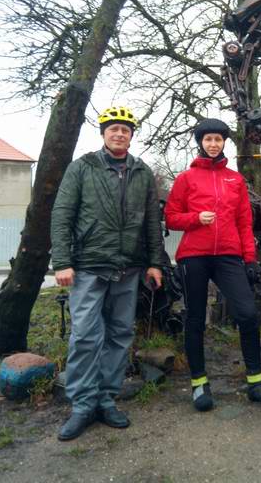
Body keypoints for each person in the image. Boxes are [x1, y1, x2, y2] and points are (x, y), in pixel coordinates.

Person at [51, 106, 166, 441]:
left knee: (119, 335)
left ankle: (106, 398)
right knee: (86, 336)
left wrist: (155, 263)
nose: (119, 134)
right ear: (103, 133)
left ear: (132, 136)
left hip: (128, 267)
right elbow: (61, 214)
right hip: (88, 265)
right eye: (114, 128)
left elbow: (152, 224)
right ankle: (82, 405)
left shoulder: (142, 172)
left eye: (126, 130)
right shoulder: (83, 167)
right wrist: (62, 262)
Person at [164, 118, 261, 411]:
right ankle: (199, 384)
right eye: (208, 140)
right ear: (200, 143)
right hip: (193, 256)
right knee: (194, 318)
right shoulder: (186, 179)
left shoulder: (235, 179)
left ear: (224, 142)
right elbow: (171, 216)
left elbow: (245, 222)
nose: (213, 144)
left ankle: (256, 381)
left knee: (246, 313)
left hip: (228, 255)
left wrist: (251, 259)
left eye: (218, 139)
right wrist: (195, 218)